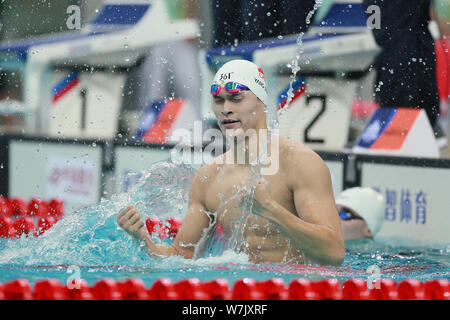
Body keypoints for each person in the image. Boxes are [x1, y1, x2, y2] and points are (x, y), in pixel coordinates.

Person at [117, 59, 345, 266]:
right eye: (219, 100)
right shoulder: (209, 179)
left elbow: (334, 253)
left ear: (261, 100)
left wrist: (271, 210)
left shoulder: (300, 163)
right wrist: (143, 239)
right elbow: (181, 257)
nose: (226, 108)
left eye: (236, 98)